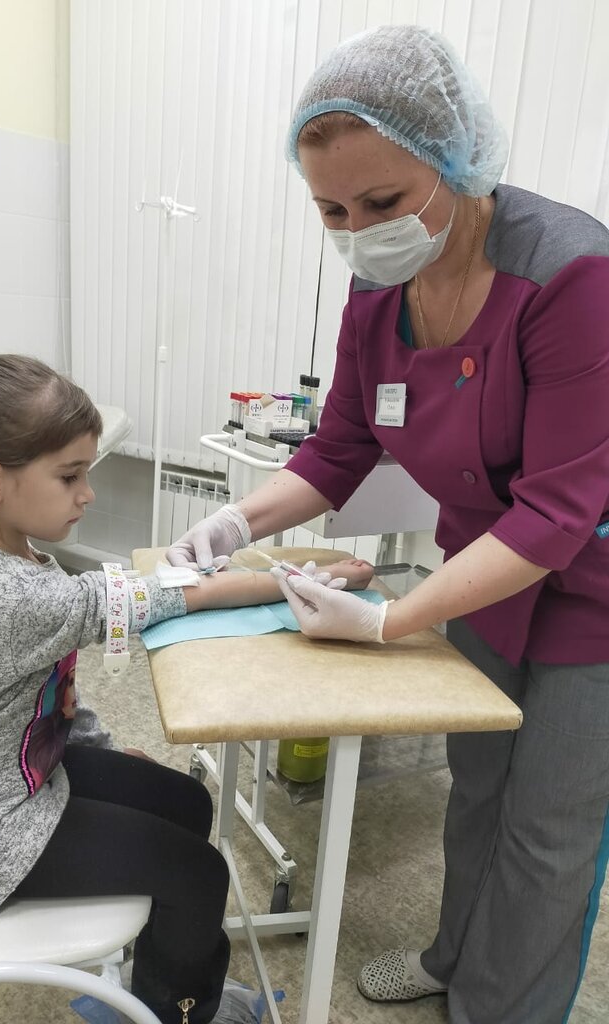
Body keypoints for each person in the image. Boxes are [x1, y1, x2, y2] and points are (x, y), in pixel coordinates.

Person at [167, 22, 609, 1024]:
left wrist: (387, 622)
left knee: (550, 828)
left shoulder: (570, 273)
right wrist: (234, 522)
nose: (358, 231)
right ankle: (458, 959)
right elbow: (341, 447)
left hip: (593, 586)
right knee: (479, 786)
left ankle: (506, 1009)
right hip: (482, 572)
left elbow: (558, 508)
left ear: (457, 161)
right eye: (331, 209)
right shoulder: (378, 288)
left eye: (382, 201)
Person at [0, 353, 372, 1024]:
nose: (87, 495)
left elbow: (44, 691)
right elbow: (173, 596)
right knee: (199, 874)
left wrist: (101, 750)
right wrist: (301, 578)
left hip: (3, 778)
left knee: (186, 801)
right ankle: (179, 1010)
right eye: (70, 476)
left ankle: (159, 974)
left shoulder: (5, 552)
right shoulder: (12, 594)